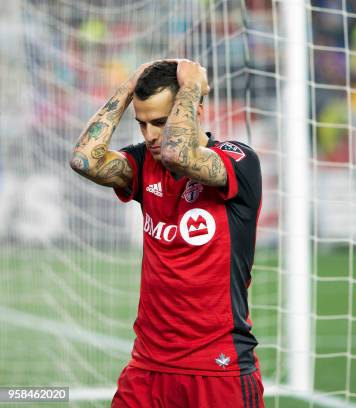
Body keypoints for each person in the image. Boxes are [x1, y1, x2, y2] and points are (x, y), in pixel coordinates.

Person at [70, 59, 264, 407]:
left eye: (160, 122)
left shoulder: (237, 160)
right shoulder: (144, 163)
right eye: (142, 124)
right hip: (148, 367)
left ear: (196, 109)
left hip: (218, 369)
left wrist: (191, 84)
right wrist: (128, 87)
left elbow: (179, 154)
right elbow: (85, 160)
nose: (150, 135)